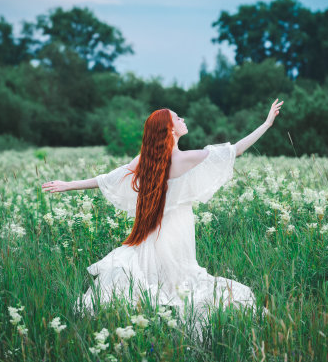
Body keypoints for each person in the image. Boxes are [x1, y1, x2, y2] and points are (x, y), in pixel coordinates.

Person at [41, 99, 283, 322]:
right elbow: (236, 149)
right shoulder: (186, 158)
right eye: (178, 118)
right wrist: (266, 124)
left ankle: (150, 317)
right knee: (179, 284)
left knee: (157, 281)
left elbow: (109, 178)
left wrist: (69, 185)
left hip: (155, 233)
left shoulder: (147, 159)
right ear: (170, 130)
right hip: (176, 232)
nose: (183, 120)